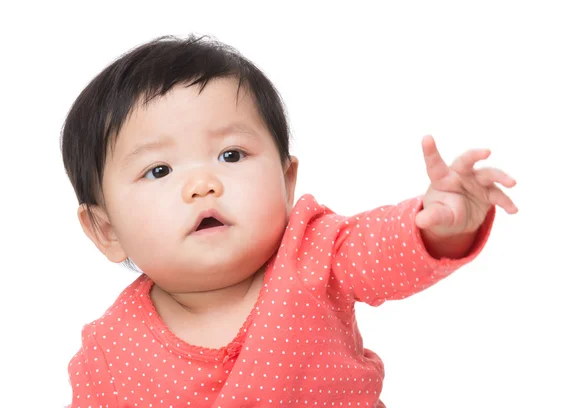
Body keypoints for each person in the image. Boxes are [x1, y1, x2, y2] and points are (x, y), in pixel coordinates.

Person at [61, 34, 518, 407]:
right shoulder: (109, 353)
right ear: (106, 230)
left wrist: (439, 223)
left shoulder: (316, 252)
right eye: (159, 170)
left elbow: (383, 249)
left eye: (231, 154)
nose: (202, 184)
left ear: (286, 180)